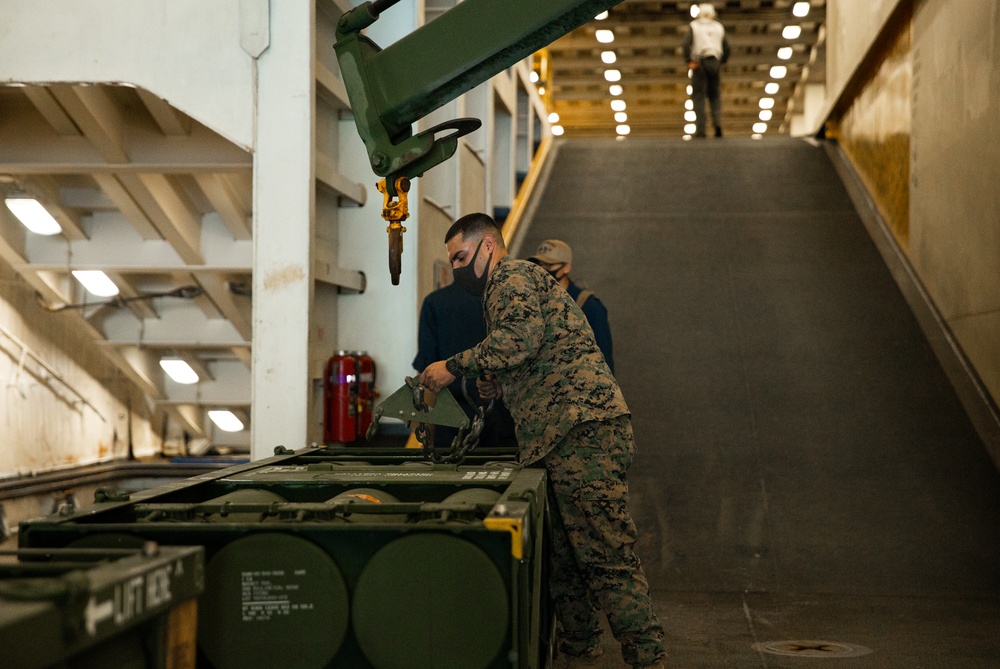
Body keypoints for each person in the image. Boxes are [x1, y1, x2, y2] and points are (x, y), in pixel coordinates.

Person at [419, 213, 666, 669]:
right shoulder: (503, 289)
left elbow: (520, 339)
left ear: (488, 247)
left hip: (581, 432)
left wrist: (451, 366)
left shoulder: (511, 276)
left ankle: (648, 658)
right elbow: (530, 351)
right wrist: (499, 382)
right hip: (556, 437)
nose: (455, 269)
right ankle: (579, 649)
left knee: (605, 553)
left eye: (460, 257)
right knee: (566, 558)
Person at [412, 282, 517, 449]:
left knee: (449, 472)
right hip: (500, 415)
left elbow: (426, 375)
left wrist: (423, 429)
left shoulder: (435, 302)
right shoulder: (505, 301)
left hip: (449, 419)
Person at [528, 239, 615, 374]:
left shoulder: (589, 306)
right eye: (539, 265)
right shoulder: (531, 301)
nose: (542, 271)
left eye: (549, 266)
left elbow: (604, 360)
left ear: (566, 268)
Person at [683, 3, 730, 138]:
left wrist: (688, 60)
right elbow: (727, 47)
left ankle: (701, 129)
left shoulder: (694, 26)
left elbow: (686, 43)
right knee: (714, 95)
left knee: (698, 96)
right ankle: (717, 121)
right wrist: (722, 62)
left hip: (699, 62)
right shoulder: (718, 27)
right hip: (715, 61)